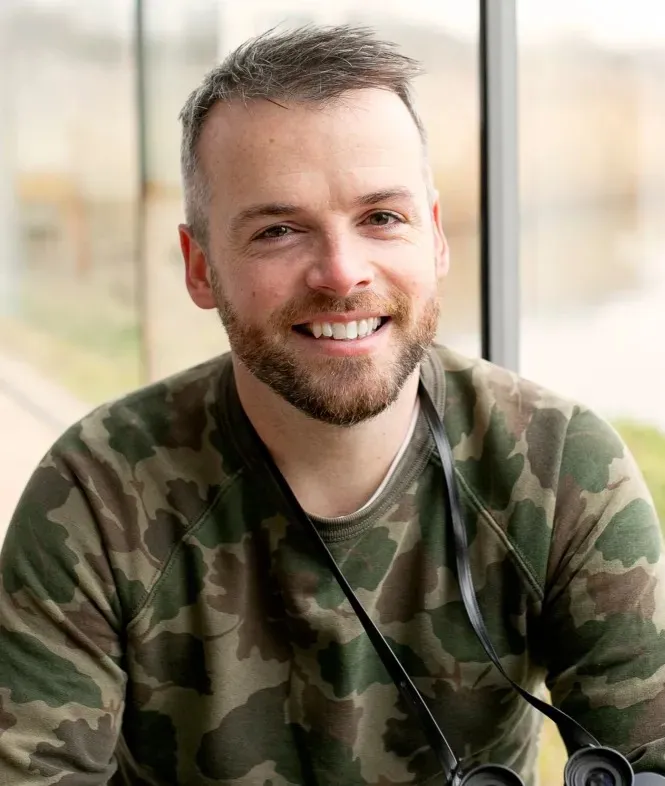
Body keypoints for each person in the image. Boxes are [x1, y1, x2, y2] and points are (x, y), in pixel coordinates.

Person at [1, 23, 664, 786]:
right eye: (279, 230)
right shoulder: (95, 492)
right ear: (199, 267)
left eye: (382, 217)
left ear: (436, 239)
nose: (341, 273)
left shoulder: (559, 466)